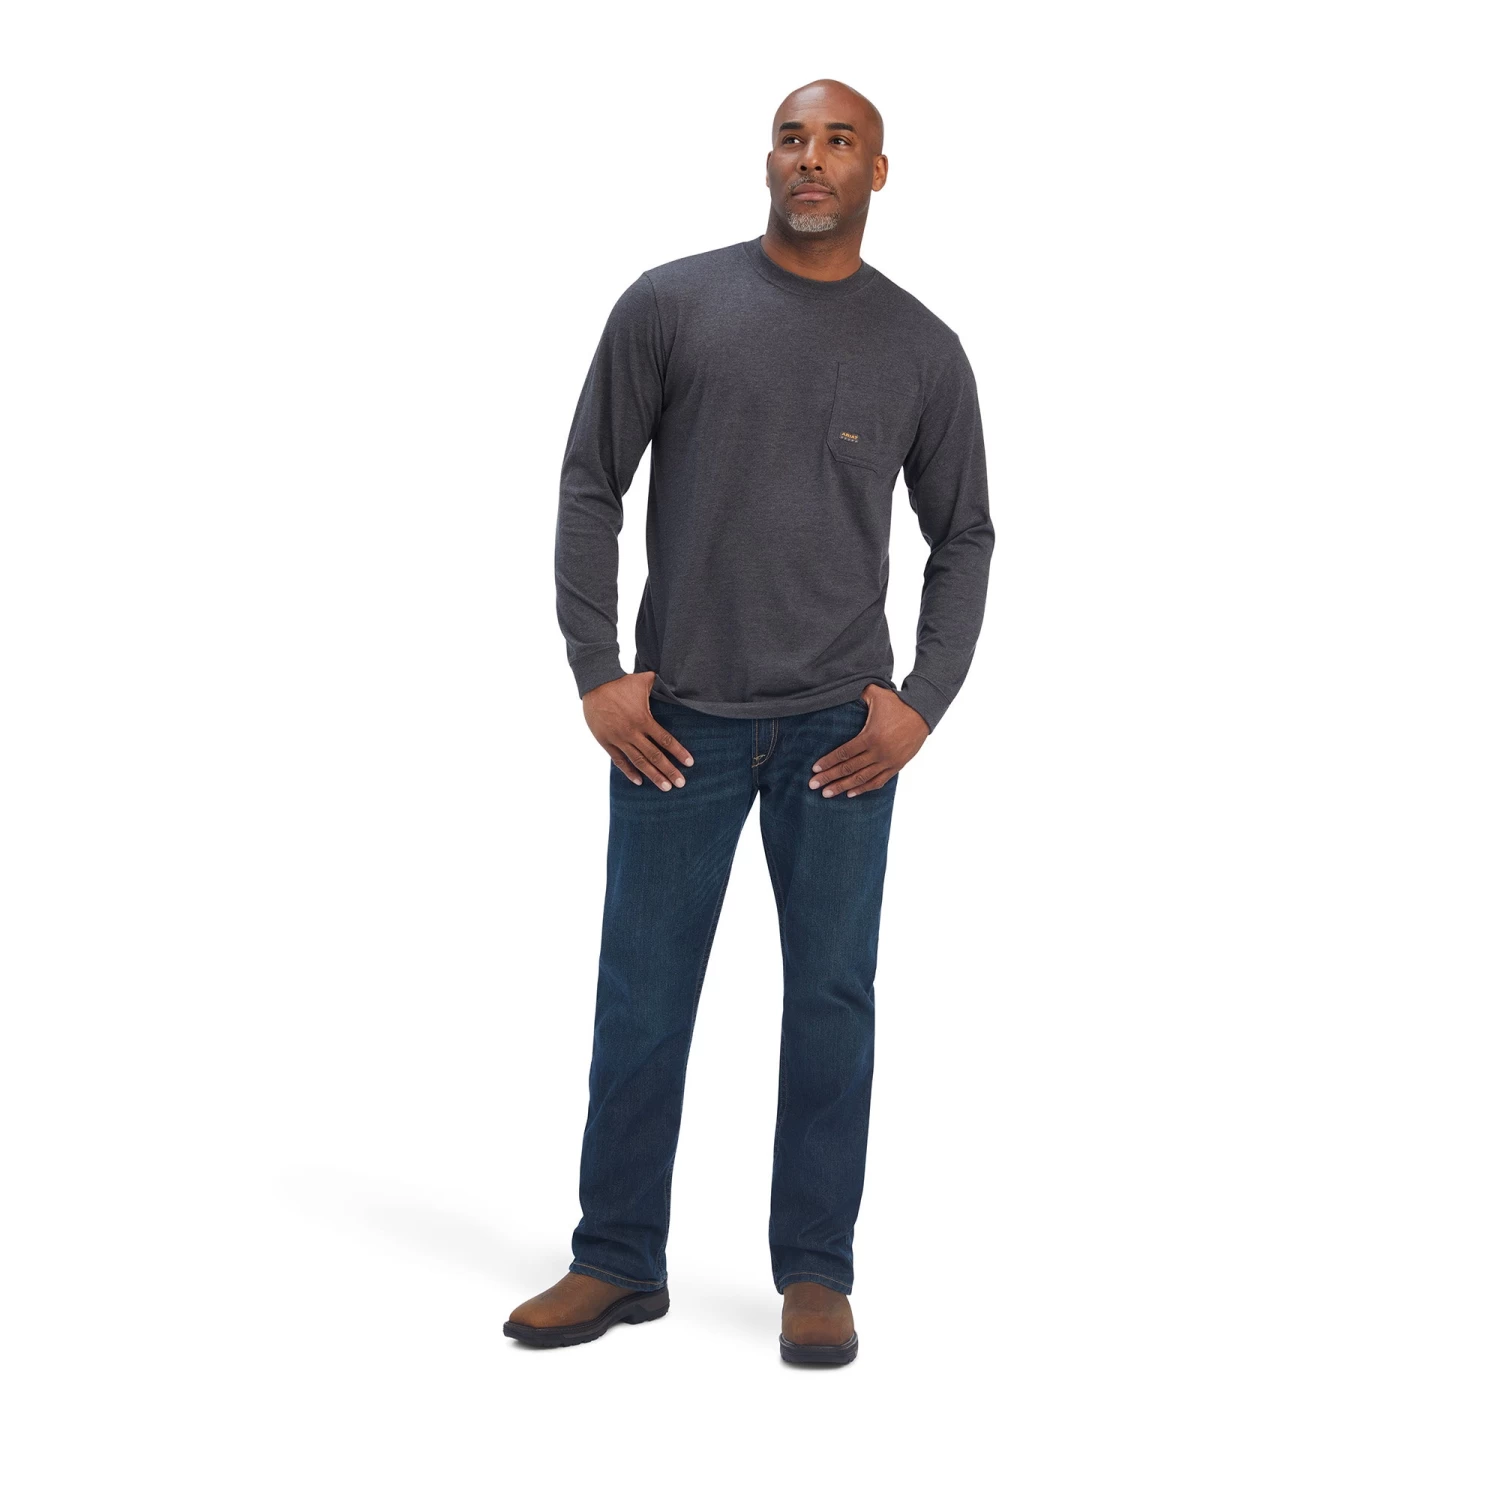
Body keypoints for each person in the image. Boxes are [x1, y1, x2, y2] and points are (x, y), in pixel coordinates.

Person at [504, 78, 993, 1364]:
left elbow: (965, 536)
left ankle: (816, 1271)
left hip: (842, 734)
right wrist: (596, 669)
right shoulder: (671, 305)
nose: (811, 157)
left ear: (878, 172)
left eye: (840, 140)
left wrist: (923, 704)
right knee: (642, 997)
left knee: (832, 998)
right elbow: (591, 483)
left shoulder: (922, 348)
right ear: (767, 161)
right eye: (791, 137)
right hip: (680, 724)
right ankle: (617, 1258)